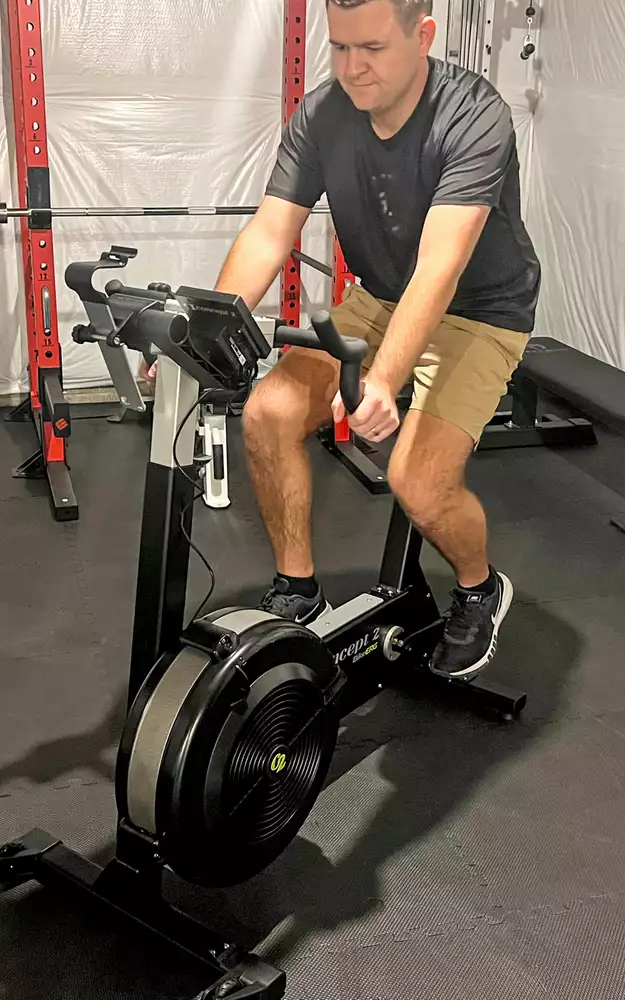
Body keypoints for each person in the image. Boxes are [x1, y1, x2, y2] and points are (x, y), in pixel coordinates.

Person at [213, 0, 541, 680]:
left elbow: (441, 266)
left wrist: (385, 379)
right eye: (340, 49)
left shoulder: (473, 114)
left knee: (416, 483)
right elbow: (271, 232)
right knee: (268, 414)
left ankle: (480, 587)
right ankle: (298, 592)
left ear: (423, 36)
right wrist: (213, 327)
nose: (353, 68)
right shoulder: (325, 114)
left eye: (373, 48)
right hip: (380, 297)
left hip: (481, 310)